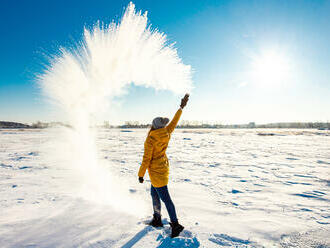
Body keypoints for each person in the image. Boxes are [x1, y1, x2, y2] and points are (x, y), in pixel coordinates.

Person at [138, 93, 189, 238]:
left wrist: (141, 174)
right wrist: (181, 108)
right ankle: (157, 218)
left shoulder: (150, 139)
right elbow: (174, 122)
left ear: (153, 126)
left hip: (156, 171)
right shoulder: (166, 131)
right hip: (162, 168)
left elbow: (146, 158)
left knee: (166, 198)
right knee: (154, 194)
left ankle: (176, 224)